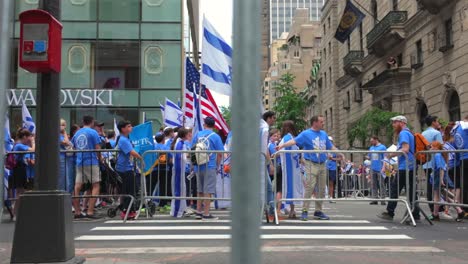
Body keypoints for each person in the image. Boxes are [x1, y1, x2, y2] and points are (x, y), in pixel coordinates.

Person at [277, 115, 339, 221]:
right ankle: (305, 210)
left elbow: (330, 146)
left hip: (322, 164)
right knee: (310, 187)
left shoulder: (323, 134)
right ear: (315, 123)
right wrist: (281, 146)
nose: (323, 123)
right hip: (311, 163)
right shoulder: (306, 134)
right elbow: (294, 141)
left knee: (321, 189)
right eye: (321, 121)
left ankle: (318, 211)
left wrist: (339, 153)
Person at [378, 115, 420, 222]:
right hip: (409, 165)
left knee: (395, 188)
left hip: (405, 166)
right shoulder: (408, 133)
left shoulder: (403, 133)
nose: (393, 125)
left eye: (395, 123)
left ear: (401, 123)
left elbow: (405, 149)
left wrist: (390, 155)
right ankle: (415, 214)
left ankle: (390, 212)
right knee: (410, 190)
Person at [191, 117, 224, 220]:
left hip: (198, 165)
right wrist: (217, 166)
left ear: (204, 124)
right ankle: (206, 213)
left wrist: (193, 166)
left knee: (199, 189)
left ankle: (199, 211)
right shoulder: (216, 137)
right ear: (214, 126)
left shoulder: (197, 134)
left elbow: (192, 150)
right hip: (210, 165)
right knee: (208, 190)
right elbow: (220, 154)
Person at [71, 115, 102, 219]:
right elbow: (98, 148)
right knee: (96, 185)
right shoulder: (93, 132)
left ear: (83, 121)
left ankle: (77, 211)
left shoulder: (77, 133)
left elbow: (73, 147)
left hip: (79, 161)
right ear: (92, 122)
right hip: (91, 161)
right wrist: (100, 159)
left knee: (77, 186)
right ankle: (90, 211)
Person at [115, 120, 144, 220]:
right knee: (129, 191)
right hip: (125, 169)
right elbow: (132, 152)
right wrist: (141, 158)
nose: (131, 127)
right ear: (123, 129)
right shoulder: (123, 140)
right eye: (129, 126)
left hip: (128, 168)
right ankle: (126, 210)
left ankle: (129, 210)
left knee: (131, 190)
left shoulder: (126, 139)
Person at [278, 121, 303, 219]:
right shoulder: (291, 138)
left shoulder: (287, 138)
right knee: (291, 188)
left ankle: (291, 209)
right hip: (292, 168)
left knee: (289, 188)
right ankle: (291, 209)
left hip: (290, 169)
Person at [9, 129, 35, 217]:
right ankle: (15, 213)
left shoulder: (18, 144)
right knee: (20, 192)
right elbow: (32, 150)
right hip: (19, 169)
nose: (29, 140)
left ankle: (16, 212)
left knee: (21, 192)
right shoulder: (19, 145)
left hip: (19, 169)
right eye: (28, 138)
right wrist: (33, 142)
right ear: (24, 137)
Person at [422, 115, 443, 214]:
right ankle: (436, 209)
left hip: (426, 163)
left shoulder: (423, 133)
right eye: (437, 121)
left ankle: (432, 207)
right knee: (437, 187)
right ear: (433, 122)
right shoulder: (437, 133)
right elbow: (440, 147)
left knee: (430, 186)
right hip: (436, 163)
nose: (438, 123)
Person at [443, 122, 464, 222]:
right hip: (456, 165)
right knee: (457, 186)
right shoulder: (455, 140)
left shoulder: (445, 142)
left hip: (447, 166)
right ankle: (457, 205)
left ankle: (448, 208)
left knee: (449, 187)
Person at [170, 128, 190, 217]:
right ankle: (177, 210)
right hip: (179, 169)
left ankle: (182, 208)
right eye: (188, 134)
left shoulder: (179, 142)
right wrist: (188, 155)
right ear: (184, 135)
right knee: (179, 189)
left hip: (179, 168)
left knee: (182, 189)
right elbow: (181, 157)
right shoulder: (180, 144)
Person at [261, 111, 276, 221]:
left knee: (267, 187)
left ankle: (269, 210)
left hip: (258, 162)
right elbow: (264, 147)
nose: (274, 120)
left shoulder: (260, 127)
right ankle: (270, 211)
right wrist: (270, 163)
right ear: (269, 118)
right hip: (259, 162)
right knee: (269, 187)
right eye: (273, 118)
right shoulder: (265, 128)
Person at [453, 115, 468, 217]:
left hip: (462, 158)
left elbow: (455, 145)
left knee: (465, 184)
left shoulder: (456, 128)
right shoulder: (466, 127)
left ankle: (465, 209)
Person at [368, 136, 387, 205]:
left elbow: (385, 157)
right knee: (373, 184)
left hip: (380, 168)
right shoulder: (371, 148)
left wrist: (384, 167)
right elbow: (370, 158)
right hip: (373, 168)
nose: (371, 142)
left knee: (381, 184)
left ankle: (383, 199)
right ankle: (374, 199)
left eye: (372, 141)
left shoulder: (382, 147)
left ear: (376, 140)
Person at [268, 128, 282, 213]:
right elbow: (275, 154)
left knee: (275, 188)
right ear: (270, 136)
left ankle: (274, 207)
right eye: (274, 136)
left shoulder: (275, 144)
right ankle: (273, 208)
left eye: (277, 135)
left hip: (275, 167)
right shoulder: (271, 145)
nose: (276, 137)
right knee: (274, 188)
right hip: (274, 168)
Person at [59, 119, 73, 192]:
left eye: (64, 125)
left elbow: (70, 144)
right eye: (62, 125)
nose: (63, 127)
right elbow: (67, 143)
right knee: (61, 178)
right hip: (60, 159)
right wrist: (64, 133)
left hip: (65, 158)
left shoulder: (63, 135)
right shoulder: (57, 135)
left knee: (66, 178)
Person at [326, 136, 341, 202]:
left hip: (333, 168)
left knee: (331, 183)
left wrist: (333, 159)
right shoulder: (325, 149)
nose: (329, 142)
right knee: (327, 183)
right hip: (326, 167)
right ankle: (329, 195)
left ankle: (331, 196)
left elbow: (340, 158)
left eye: (330, 141)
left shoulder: (335, 149)